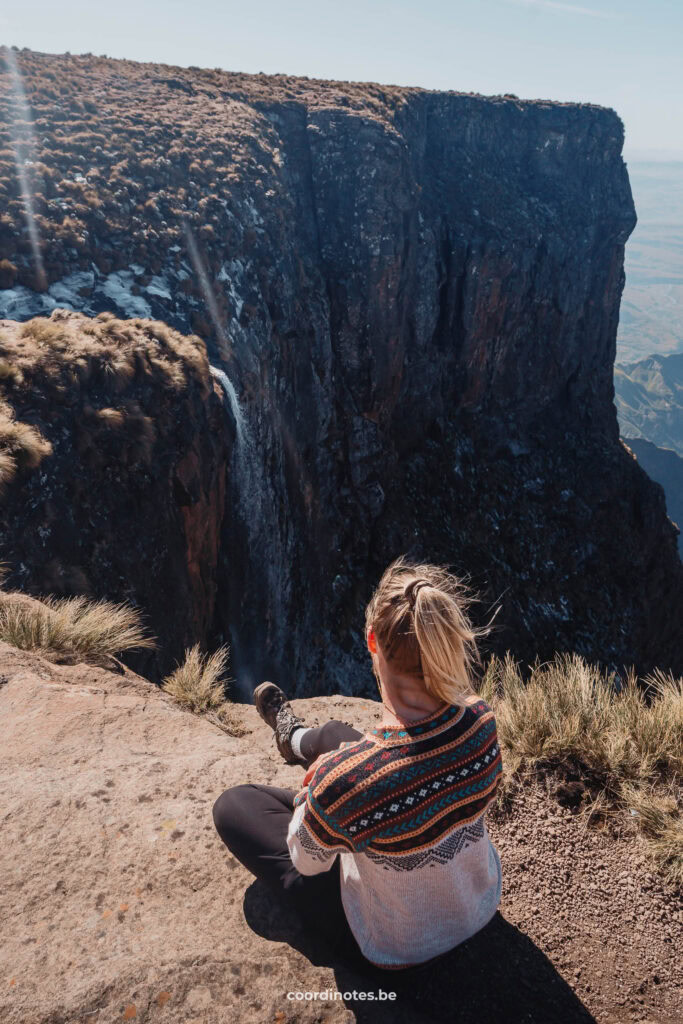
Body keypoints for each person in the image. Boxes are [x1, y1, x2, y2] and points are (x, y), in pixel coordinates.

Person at [212, 556, 503, 971]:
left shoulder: (347, 778)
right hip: (478, 906)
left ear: (372, 642)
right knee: (332, 734)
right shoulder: (481, 721)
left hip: (398, 949)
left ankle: (309, 775)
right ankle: (294, 739)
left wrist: (320, 793)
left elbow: (308, 861)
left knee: (233, 806)